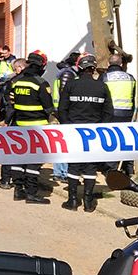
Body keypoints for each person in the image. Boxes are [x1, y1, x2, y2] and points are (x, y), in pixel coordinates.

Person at [57, 54, 114, 212]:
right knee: (91, 166)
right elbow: (109, 112)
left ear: (79, 67)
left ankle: (73, 200)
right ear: (93, 68)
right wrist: (100, 128)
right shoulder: (102, 87)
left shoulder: (71, 85)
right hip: (94, 133)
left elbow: (62, 109)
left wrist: (67, 126)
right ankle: (88, 201)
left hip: (74, 131)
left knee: (74, 165)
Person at [6, 50, 55, 204]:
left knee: (20, 158)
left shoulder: (17, 82)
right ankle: (32, 193)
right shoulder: (40, 83)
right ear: (42, 65)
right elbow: (48, 108)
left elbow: (12, 102)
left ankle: (18, 190)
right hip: (38, 128)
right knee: (34, 160)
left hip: (19, 126)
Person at [0, 58, 27, 188]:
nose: (14, 70)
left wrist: (6, 121)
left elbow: (10, 105)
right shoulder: (35, 81)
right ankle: (22, 180)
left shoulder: (13, 82)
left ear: (20, 68)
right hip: (30, 121)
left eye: (15, 68)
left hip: (15, 120)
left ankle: (5, 180)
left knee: (9, 150)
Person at [103, 53, 138, 175]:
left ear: (109, 64)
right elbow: (133, 97)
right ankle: (128, 169)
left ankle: (111, 170)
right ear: (121, 64)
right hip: (127, 114)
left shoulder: (105, 77)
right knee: (126, 141)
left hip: (110, 114)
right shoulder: (131, 78)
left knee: (111, 142)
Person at [49, 53, 79, 185]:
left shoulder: (64, 72)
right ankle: (63, 173)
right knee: (64, 145)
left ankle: (59, 172)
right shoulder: (68, 74)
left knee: (60, 144)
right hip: (62, 114)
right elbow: (65, 95)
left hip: (58, 112)